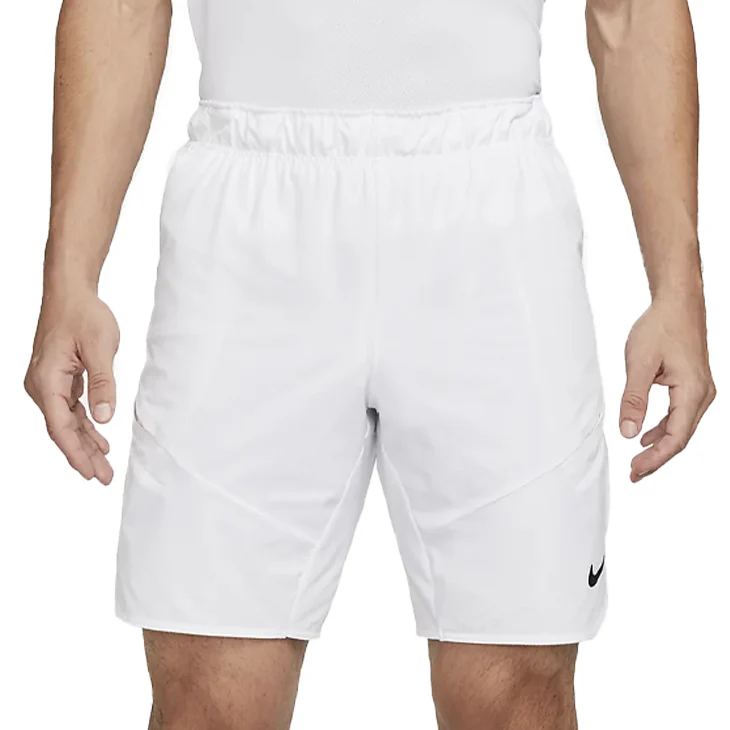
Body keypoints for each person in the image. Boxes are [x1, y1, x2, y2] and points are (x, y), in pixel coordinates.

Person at [25, 0, 715, 728]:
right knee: (207, 697)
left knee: (516, 697)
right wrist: (70, 274)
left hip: (492, 225)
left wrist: (678, 287)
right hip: (247, 227)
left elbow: (630, 10)